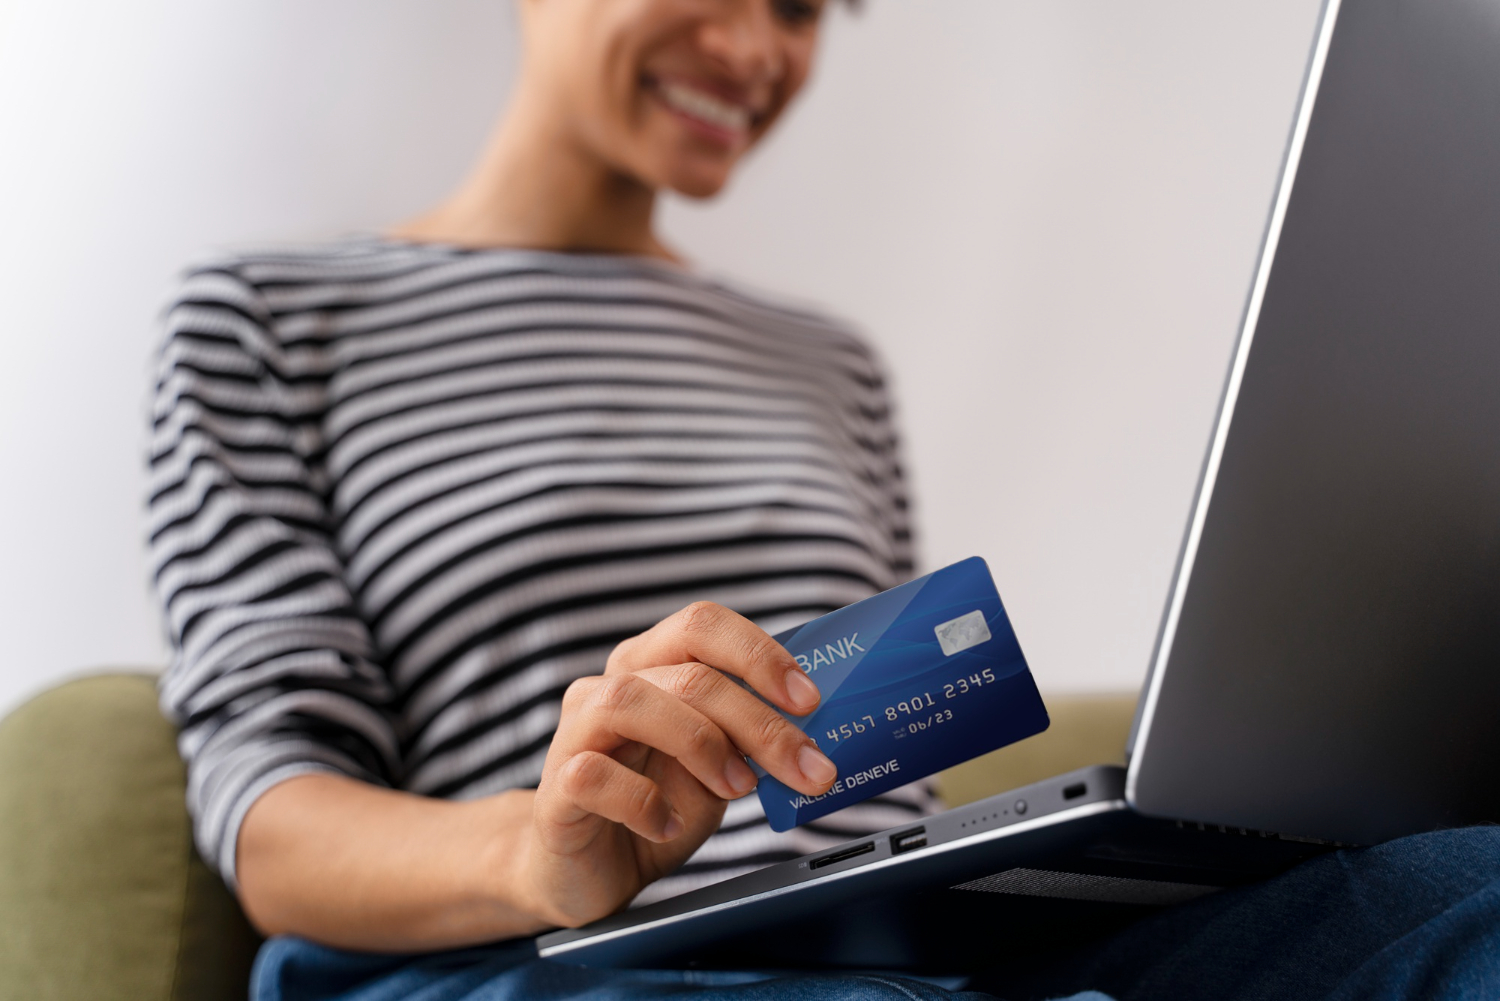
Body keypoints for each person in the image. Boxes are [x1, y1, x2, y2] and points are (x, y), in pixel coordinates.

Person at [148, 2, 1500, 999]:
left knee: (1467, 889)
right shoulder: (269, 320)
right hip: (541, 950)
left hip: (895, 941)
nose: (754, 53)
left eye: (800, 9)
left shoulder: (829, 361)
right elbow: (272, 816)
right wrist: (541, 850)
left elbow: (859, 764)